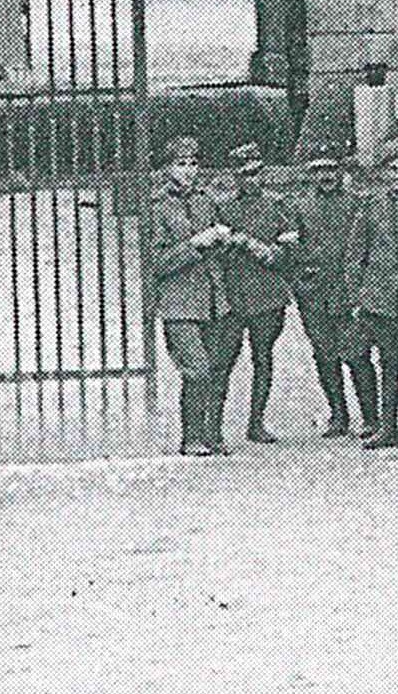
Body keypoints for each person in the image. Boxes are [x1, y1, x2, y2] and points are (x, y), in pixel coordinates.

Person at [149, 134, 246, 457]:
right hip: (179, 304)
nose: (188, 171)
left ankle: (212, 435)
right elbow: (156, 263)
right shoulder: (158, 208)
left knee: (217, 368)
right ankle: (190, 437)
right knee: (197, 369)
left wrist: (224, 239)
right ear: (167, 169)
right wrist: (195, 244)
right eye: (181, 164)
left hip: (214, 299)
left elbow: (223, 238)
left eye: (193, 164)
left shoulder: (207, 201)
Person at [343, 141, 398, 448]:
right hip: (381, 299)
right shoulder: (369, 206)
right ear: (383, 173)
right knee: (389, 365)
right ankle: (388, 428)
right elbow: (355, 255)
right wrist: (357, 296)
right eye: (392, 169)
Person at [218, 141, 305, 445]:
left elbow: (289, 252)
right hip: (234, 294)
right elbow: (218, 248)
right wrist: (238, 242)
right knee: (224, 359)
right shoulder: (224, 208)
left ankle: (257, 422)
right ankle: (214, 429)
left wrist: (263, 249)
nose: (251, 180)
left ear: (263, 173)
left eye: (255, 173)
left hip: (268, 296)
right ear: (235, 177)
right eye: (244, 175)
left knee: (263, 358)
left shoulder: (279, 205)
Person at [281, 151, 361, 437]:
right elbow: (289, 249)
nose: (326, 176)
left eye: (331, 169)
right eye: (319, 170)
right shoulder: (300, 207)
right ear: (310, 173)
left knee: (356, 354)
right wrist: (301, 279)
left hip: (347, 290)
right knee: (325, 355)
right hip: (314, 293)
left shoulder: (356, 204)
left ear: (340, 171)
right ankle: (339, 415)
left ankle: (371, 418)